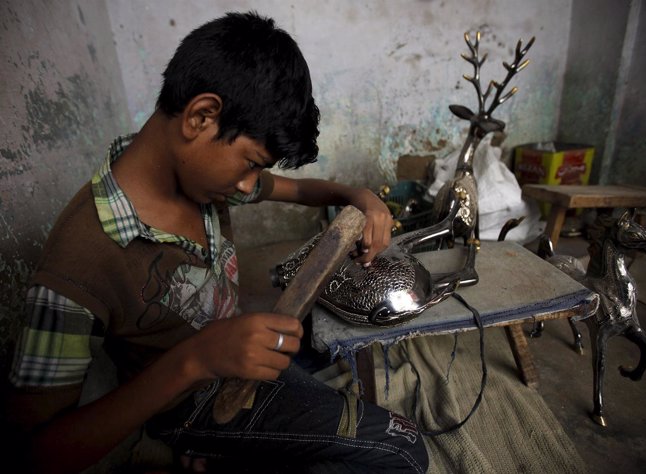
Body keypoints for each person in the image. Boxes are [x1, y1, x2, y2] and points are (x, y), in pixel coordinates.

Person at [5, 11, 429, 474]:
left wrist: (359, 197)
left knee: (340, 356)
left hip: (235, 362)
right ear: (201, 116)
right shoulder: (74, 267)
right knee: (402, 450)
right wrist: (196, 359)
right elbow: (36, 452)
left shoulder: (200, 178)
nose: (251, 185)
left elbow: (304, 191)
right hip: (188, 404)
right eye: (250, 163)